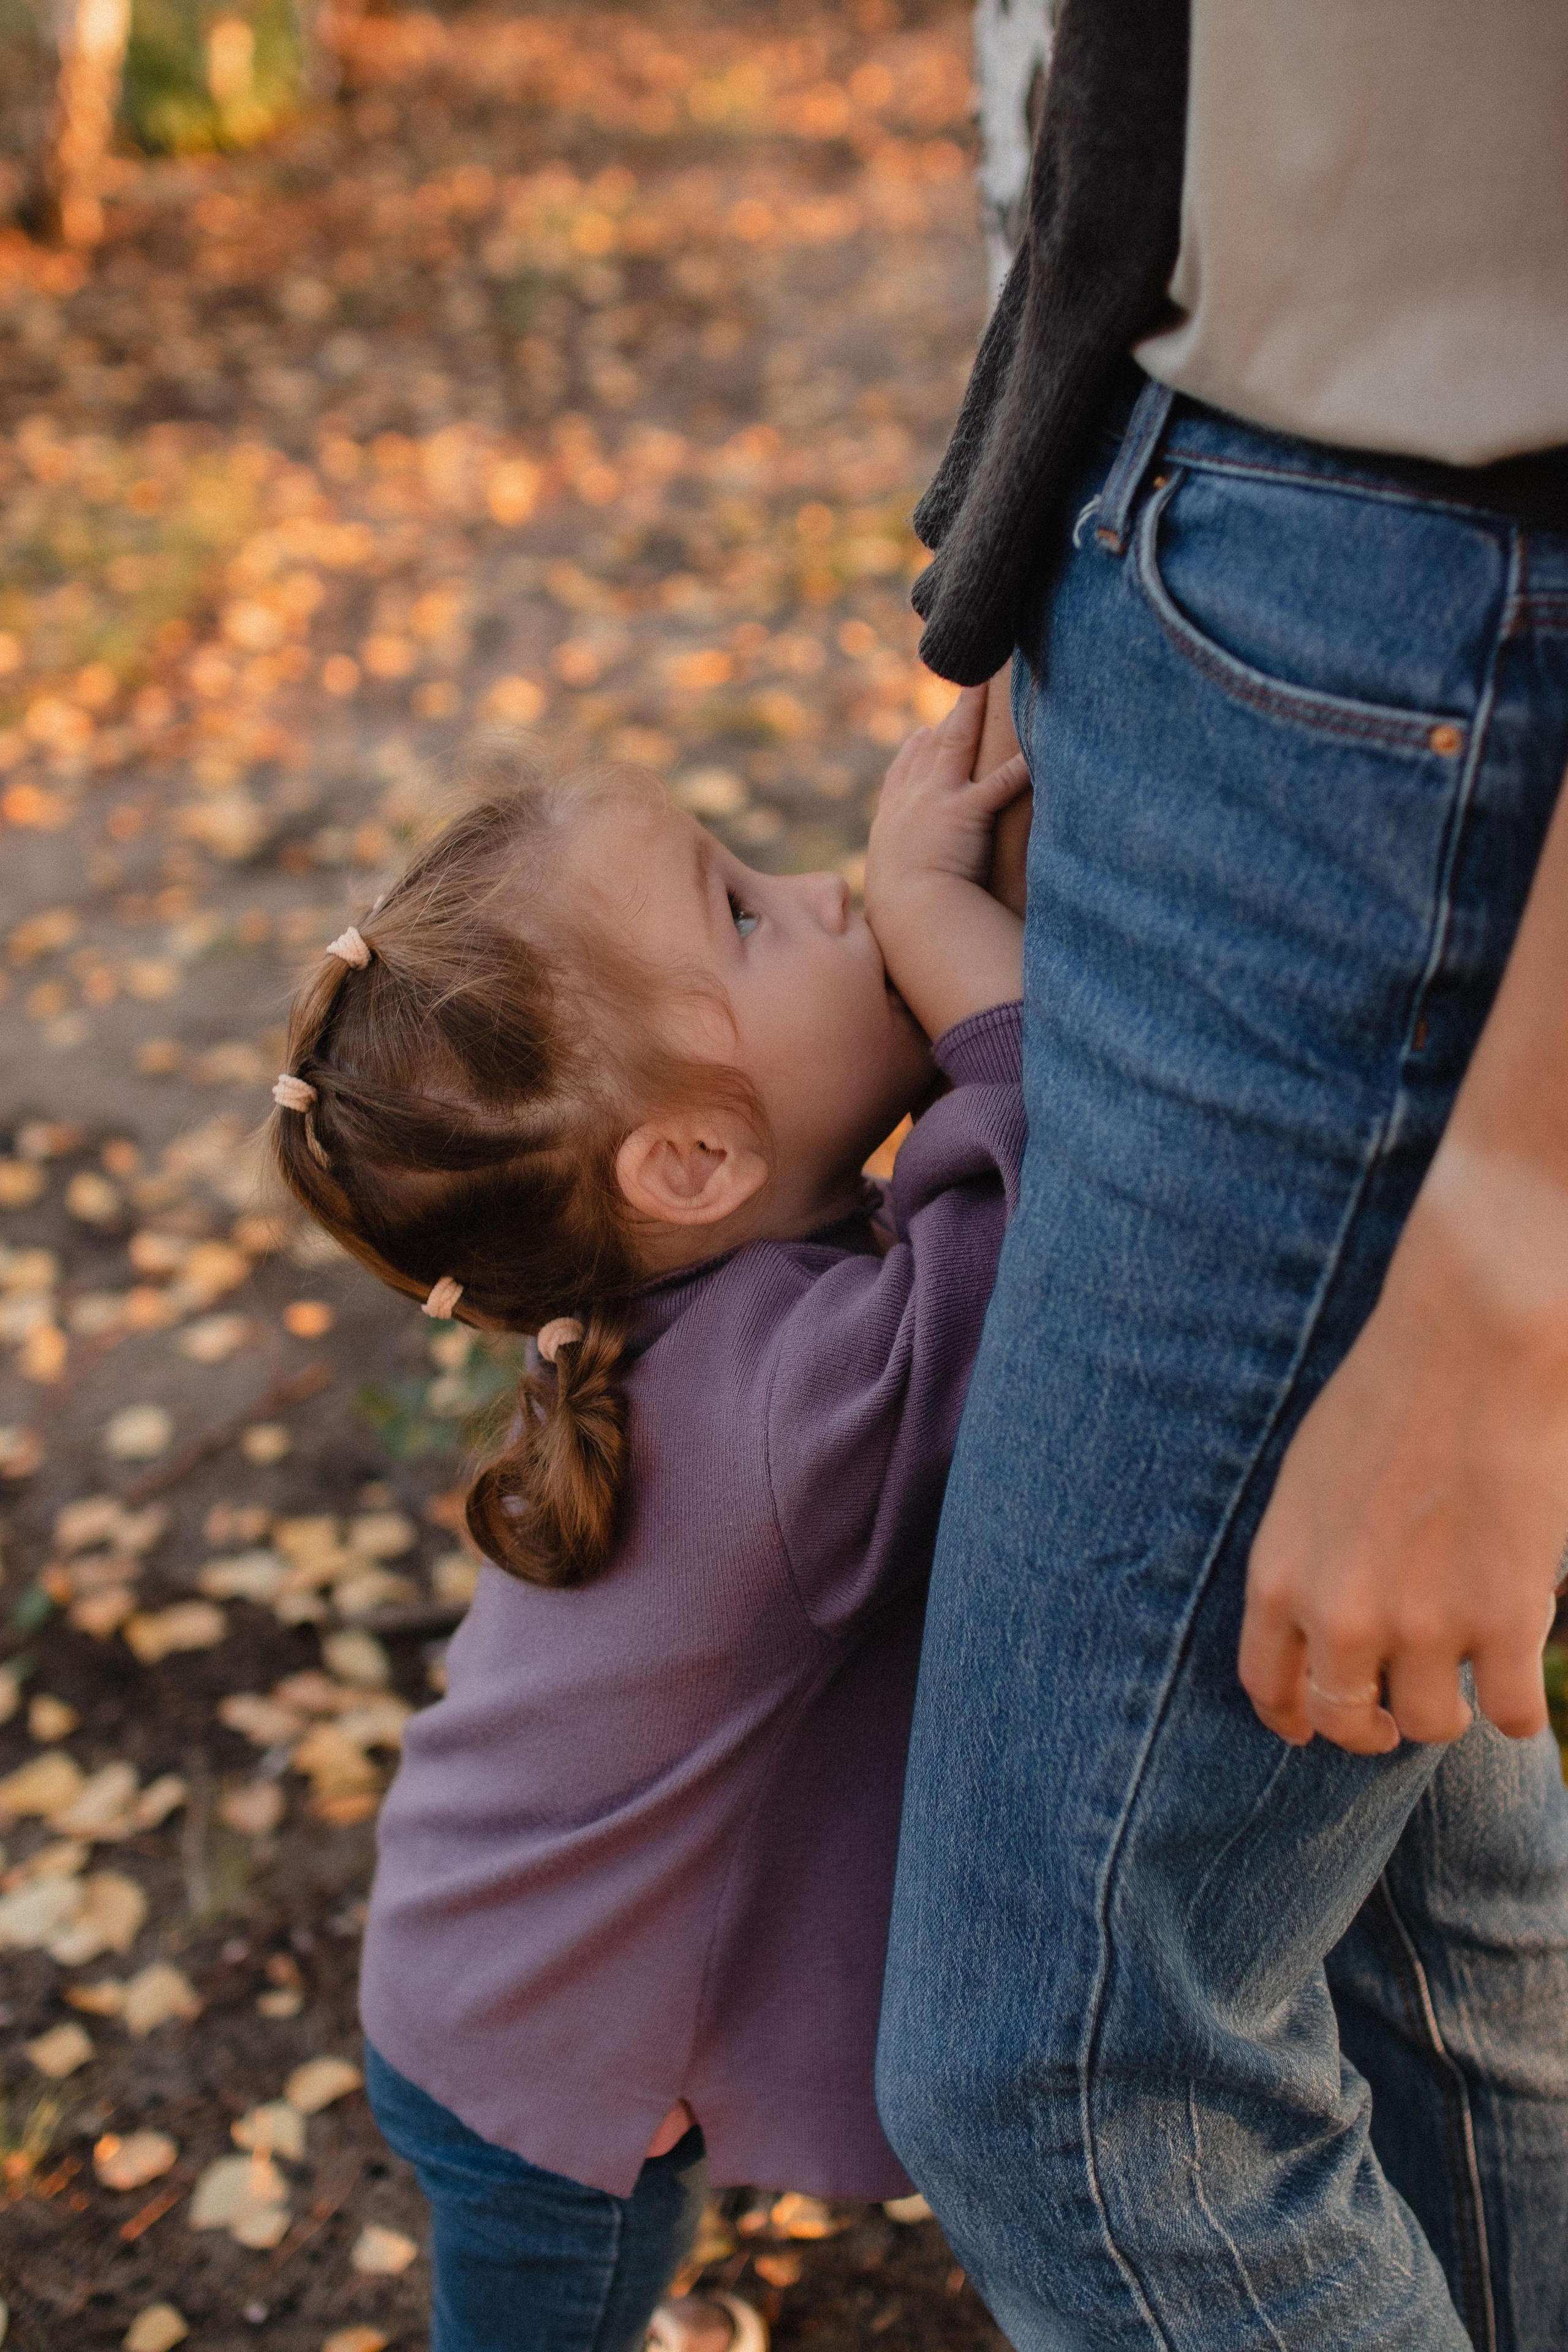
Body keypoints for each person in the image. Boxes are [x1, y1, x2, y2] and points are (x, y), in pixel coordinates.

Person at [876, 2, 1568, 2348]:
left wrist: (1510, 1263)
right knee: (1419, 1925)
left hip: (1398, 669)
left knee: (1077, 2076)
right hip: (1236, 569)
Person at [265, 694, 1030, 2352]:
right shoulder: (781, 1419)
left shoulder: (717, 1344)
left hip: (488, 1970)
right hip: (537, 2065)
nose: (828, 889)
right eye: (746, 913)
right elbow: (1033, 1247)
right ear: (689, 1161)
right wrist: (978, 982)